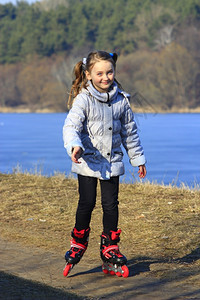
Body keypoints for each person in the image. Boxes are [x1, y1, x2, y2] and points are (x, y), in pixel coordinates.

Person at [63, 50, 147, 276]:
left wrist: (137, 158)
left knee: (111, 204)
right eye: (99, 73)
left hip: (112, 162)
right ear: (89, 74)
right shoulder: (84, 99)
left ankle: (110, 246)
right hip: (87, 162)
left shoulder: (122, 100)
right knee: (87, 203)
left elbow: (131, 132)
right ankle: (79, 239)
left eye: (109, 72)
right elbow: (71, 126)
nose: (105, 77)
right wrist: (74, 145)